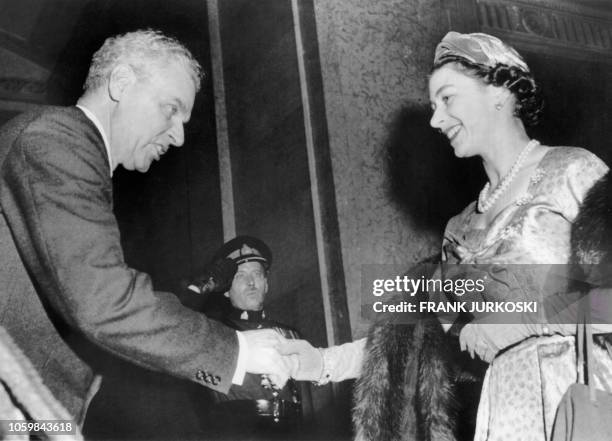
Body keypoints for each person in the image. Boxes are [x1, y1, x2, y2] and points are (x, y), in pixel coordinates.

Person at [280, 31, 612, 441]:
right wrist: (318, 363)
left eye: (448, 99)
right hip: (509, 409)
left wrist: (521, 324)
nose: (436, 120)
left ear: (500, 91)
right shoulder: (460, 227)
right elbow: (414, 335)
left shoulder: (573, 170)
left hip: (585, 400)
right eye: (433, 106)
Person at [0, 29, 290, 427]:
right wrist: (235, 354)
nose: (179, 135)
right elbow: (103, 301)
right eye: (171, 109)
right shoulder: (55, 142)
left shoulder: (75, 158)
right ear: (120, 82)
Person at [193, 236, 302, 439]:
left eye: (257, 274)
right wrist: (204, 284)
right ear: (225, 289)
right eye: (240, 276)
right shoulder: (213, 333)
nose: (251, 283)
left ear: (266, 284)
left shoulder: (292, 336)